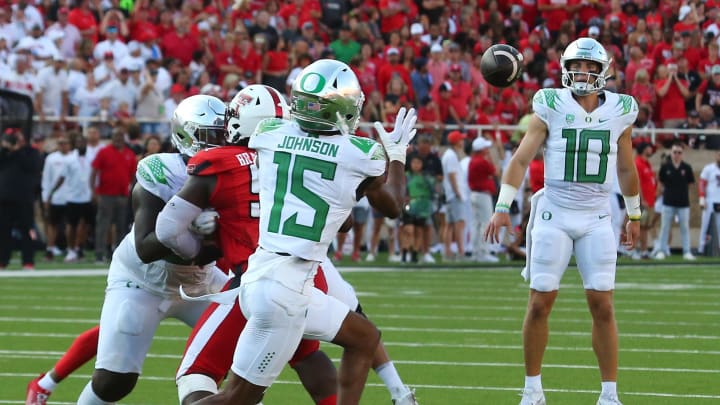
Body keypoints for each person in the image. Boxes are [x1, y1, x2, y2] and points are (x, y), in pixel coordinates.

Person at [182, 59, 416, 405]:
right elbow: (395, 206)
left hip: (267, 275)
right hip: (285, 292)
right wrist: (396, 154)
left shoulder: (268, 134)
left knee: (364, 337)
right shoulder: (360, 154)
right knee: (237, 400)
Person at [485, 38, 640, 405]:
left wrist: (634, 212)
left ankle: (609, 395)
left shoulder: (621, 109)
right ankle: (533, 390)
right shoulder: (550, 103)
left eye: (589, 66)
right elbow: (521, 158)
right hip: (554, 212)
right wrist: (503, 204)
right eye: (577, 65)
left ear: (604, 71)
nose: (582, 73)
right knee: (540, 302)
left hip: (598, 215)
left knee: (602, 304)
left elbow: (625, 165)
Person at [74, 95, 229, 405]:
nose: (221, 143)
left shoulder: (237, 170)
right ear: (186, 135)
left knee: (251, 345)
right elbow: (146, 247)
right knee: (113, 382)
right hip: (143, 280)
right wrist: (192, 229)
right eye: (211, 136)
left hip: (201, 280)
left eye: (224, 134)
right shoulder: (161, 171)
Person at [89, 128, 136, 263]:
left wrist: (131, 191)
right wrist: (93, 191)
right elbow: (94, 172)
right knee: (103, 225)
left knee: (122, 226)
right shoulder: (104, 152)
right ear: (112, 138)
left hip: (122, 195)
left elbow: (133, 175)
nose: (118, 139)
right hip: (106, 195)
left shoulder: (129, 153)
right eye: (116, 136)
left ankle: (119, 256)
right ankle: (99, 254)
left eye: (121, 136)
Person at [0, 128, 42, 270]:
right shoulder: (5, 153)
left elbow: (32, 167)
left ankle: (28, 261)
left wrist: (17, 150)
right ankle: (3, 260)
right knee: (3, 231)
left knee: (27, 231)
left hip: (24, 198)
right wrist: (7, 148)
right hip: (5, 198)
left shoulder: (31, 152)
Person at [653, 142, 696, 260]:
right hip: (668, 202)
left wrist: (690, 199)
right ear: (671, 153)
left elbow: (691, 184)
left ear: (682, 154)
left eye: (679, 152)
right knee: (665, 227)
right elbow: (660, 184)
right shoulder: (665, 167)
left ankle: (686, 251)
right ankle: (661, 250)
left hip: (683, 203)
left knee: (684, 228)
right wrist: (657, 197)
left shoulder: (686, 168)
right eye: (674, 152)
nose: (677, 155)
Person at [441, 130, 469, 261]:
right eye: (461, 140)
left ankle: (447, 252)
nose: (463, 142)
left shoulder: (449, 154)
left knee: (450, 224)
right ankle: (461, 252)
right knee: (458, 224)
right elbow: (452, 175)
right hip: (455, 195)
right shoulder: (451, 156)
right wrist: (457, 192)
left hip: (451, 195)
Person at [698, 150, 720, 256]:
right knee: (705, 225)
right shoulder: (709, 168)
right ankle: (701, 248)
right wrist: (702, 199)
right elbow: (702, 183)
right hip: (710, 200)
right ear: (716, 155)